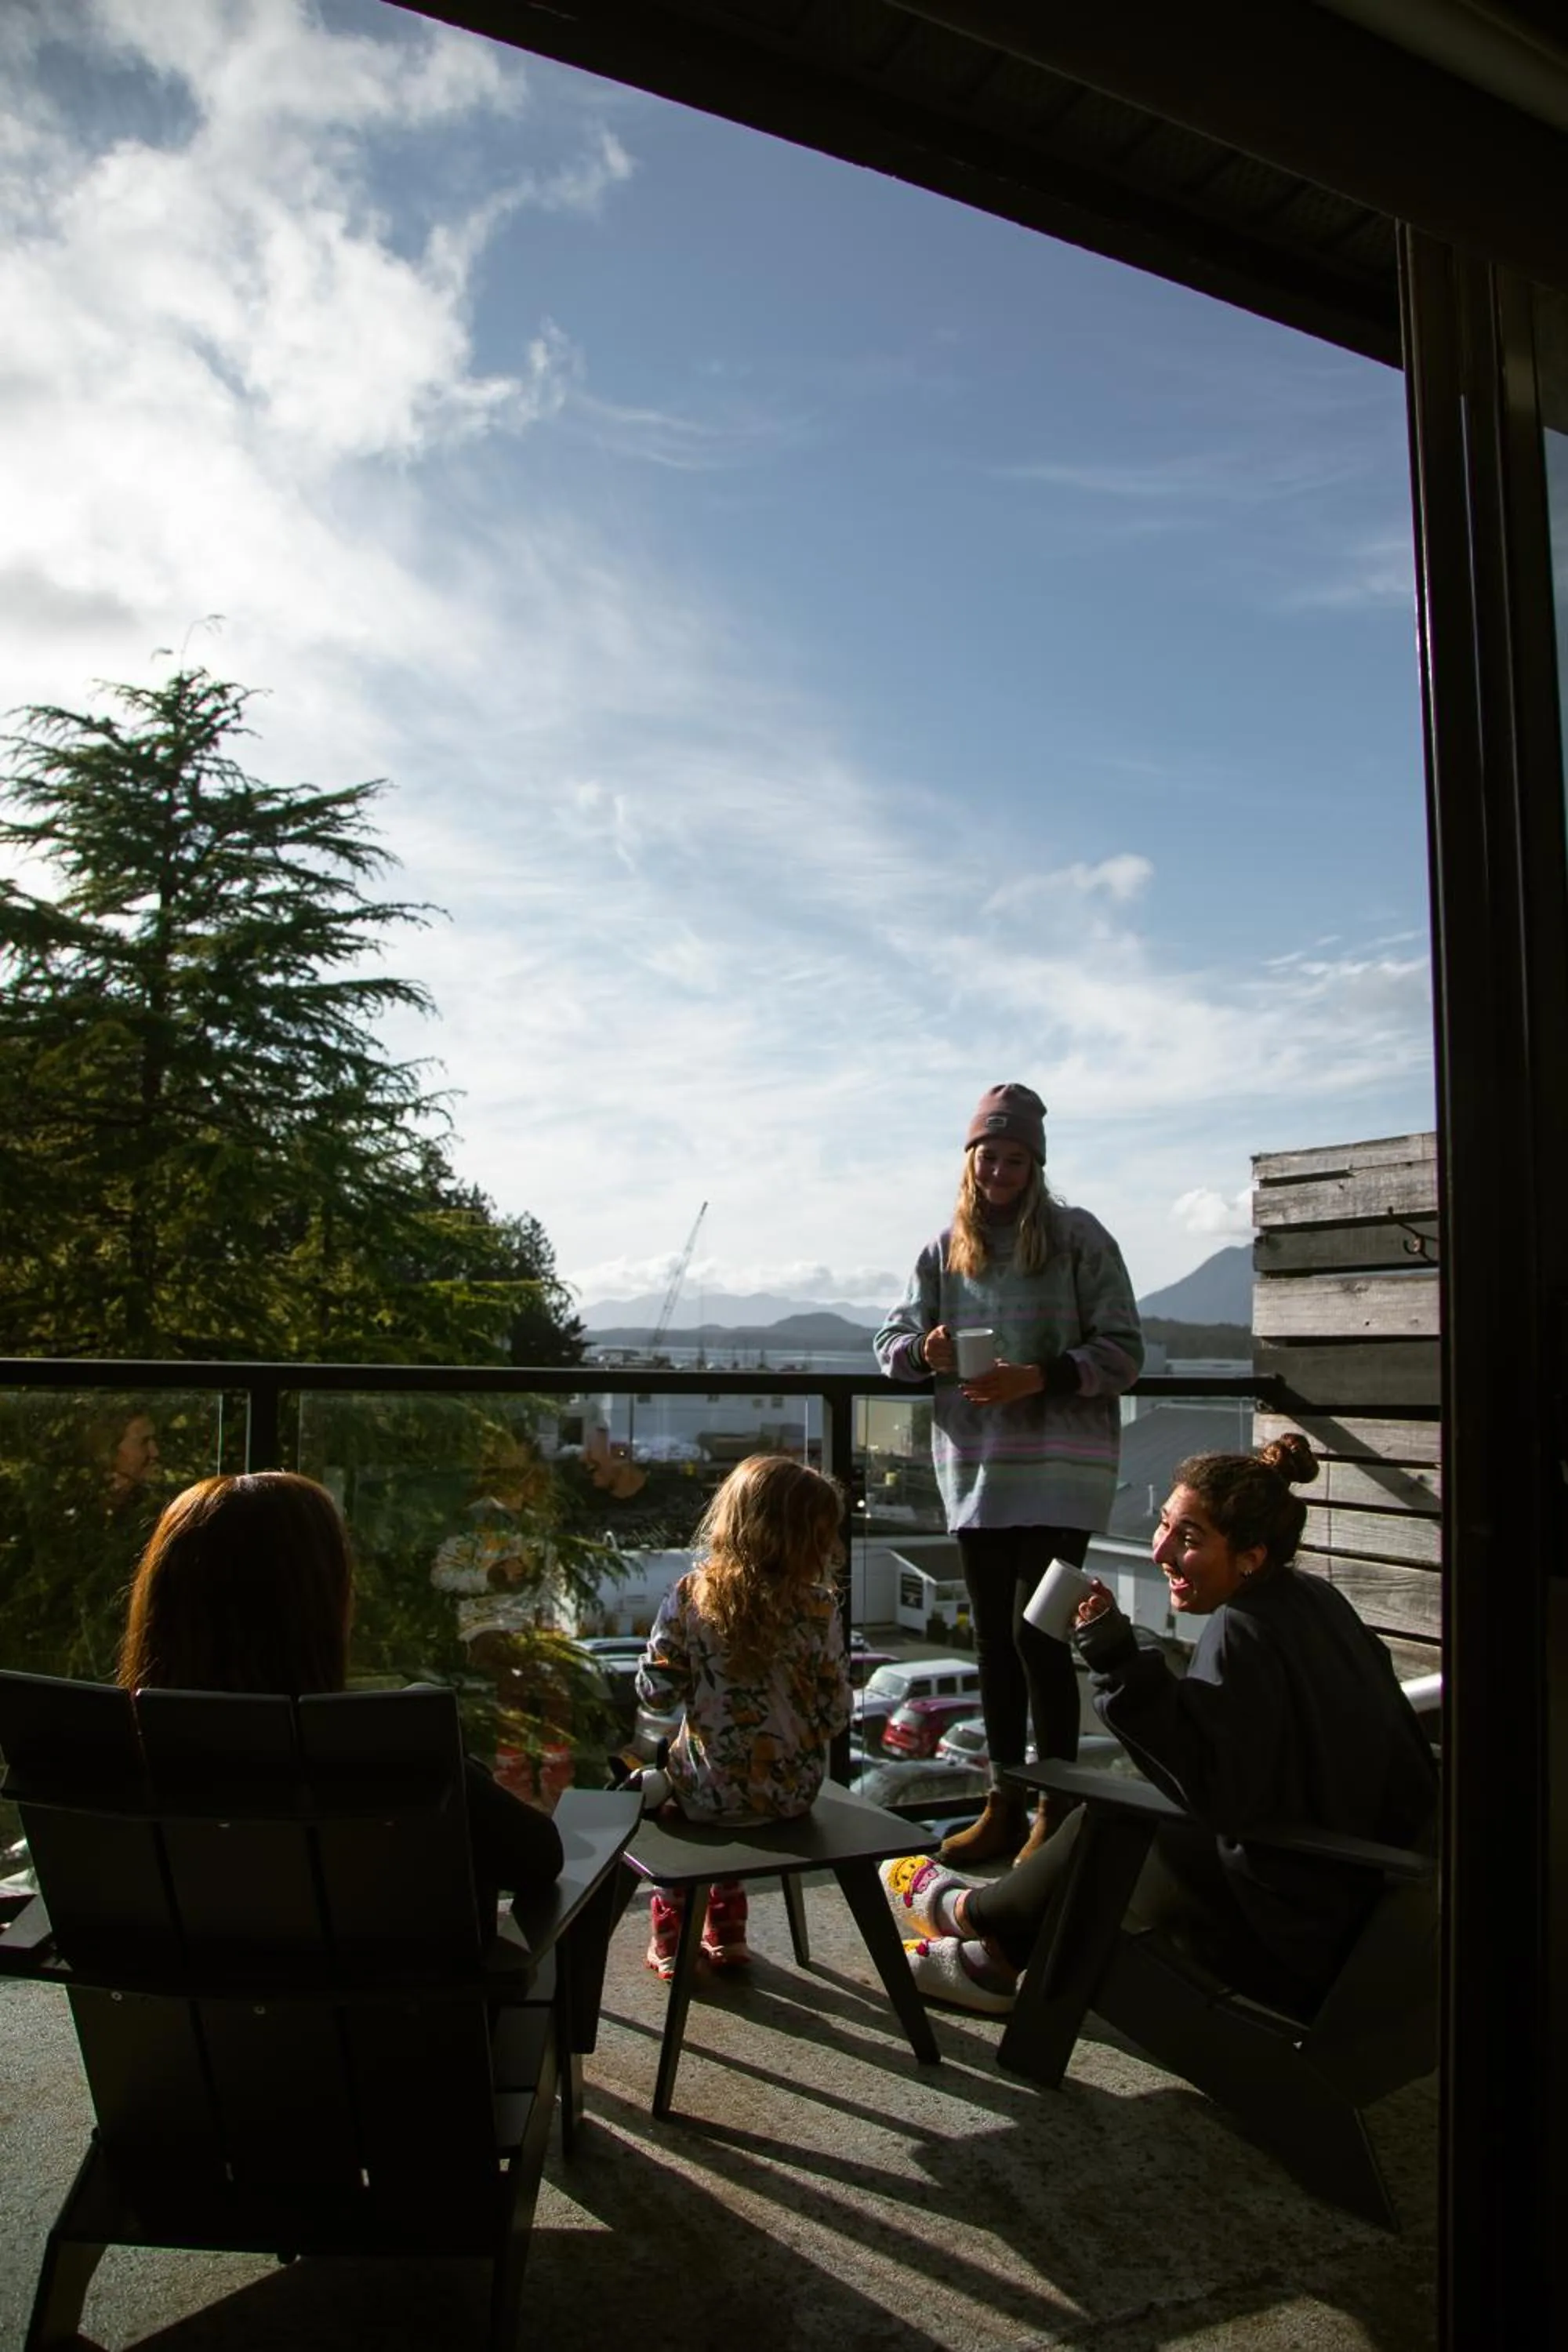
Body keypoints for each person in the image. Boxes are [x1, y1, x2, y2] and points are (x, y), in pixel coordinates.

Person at [880, 1436, 1440, 2017]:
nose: (1160, 1551)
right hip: (1361, 1912)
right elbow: (1256, 1769)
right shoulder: (1316, 1602)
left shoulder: (1243, 1631)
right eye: (1164, 1525)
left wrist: (1117, 1661)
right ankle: (990, 1952)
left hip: (1292, 1935)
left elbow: (1217, 1793)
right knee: (1121, 1819)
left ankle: (972, 1920)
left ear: (1250, 1557)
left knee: (1110, 1826)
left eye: (1189, 1539)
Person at [874, 1082, 1143, 1865]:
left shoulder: (1078, 1237)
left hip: (1064, 1471)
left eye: (1015, 1158)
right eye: (988, 1155)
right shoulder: (942, 1250)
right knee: (993, 1640)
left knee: (1038, 1634)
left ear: (1036, 1165)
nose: (999, 1171)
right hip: (977, 1472)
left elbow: (1124, 1350)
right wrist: (921, 1350)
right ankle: (1004, 1801)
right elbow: (889, 1344)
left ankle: (1055, 1807)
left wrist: (1039, 1376)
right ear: (969, 1160)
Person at [118, 1471, 564, 1921]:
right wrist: (460, 1766)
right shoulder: (394, 1742)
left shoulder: (120, 1756)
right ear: (315, 1607)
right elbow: (537, 1859)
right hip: (382, 1968)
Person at [633, 1454, 852, 1978]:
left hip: (708, 1797)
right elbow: (835, 1714)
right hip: (792, 1795)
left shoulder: (689, 1596)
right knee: (728, 1780)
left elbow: (656, 1693)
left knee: (664, 1788)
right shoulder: (819, 1607)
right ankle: (728, 1924)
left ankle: (673, 1925)